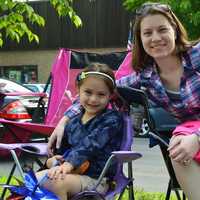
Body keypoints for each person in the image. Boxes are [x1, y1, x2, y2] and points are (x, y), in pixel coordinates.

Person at [48, 2, 200, 199]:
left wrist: (197, 136)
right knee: (179, 144)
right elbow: (102, 91)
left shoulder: (197, 56)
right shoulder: (145, 77)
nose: (156, 38)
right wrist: (65, 119)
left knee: (183, 138)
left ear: (175, 31)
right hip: (188, 138)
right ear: (140, 40)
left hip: (194, 136)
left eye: (162, 29)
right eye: (147, 33)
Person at [37, 63, 123, 200]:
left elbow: (91, 143)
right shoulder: (73, 122)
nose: (93, 99)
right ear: (78, 90)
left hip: (97, 179)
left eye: (101, 94)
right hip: (72, 173)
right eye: (88, 92)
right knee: (36, 179)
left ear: (110, 95)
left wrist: (68, 164)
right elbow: (63, 150)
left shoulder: (112, 119)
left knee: (54, 182)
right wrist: (54, 160)